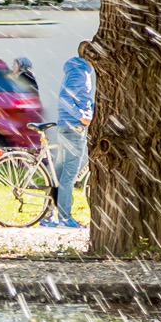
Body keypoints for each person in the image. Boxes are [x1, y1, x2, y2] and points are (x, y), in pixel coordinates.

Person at [46, 44, 95, 229]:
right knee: (69, 175)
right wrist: (82, 117)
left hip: (67, 127)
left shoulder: (77, 70)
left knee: (59, 174)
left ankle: (48, 216)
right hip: (73, 128)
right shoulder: (80, 73)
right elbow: (64, 98)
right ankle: (65, 218)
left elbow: (80, 98)